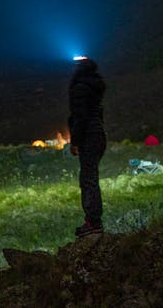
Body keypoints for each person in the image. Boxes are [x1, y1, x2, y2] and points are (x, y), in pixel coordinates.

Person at [67, 56, 106, 237]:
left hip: (88, 136)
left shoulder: (80, 89)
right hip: (99, 133)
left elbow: (80, 117)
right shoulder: (95, 88)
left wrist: (75, 141)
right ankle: (93, 220)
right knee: (91, 177)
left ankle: (92, 222)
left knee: (88, 179)